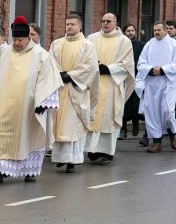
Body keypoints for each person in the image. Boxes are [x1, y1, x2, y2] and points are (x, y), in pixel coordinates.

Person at [0, 16, 62, 183]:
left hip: (29, 106)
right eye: (15, 39)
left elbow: (50, 80)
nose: (17, 43)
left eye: (20, 40)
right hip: (4, 104)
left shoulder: (41, 55)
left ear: (28, 38)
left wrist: (44, 102)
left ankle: (29, 171)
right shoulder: (4, 53)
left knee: (28, 136)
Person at [48, 15, 99, 173]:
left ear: (80, 27)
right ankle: (60, 157)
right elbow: (50, 62)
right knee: (58, 124)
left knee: (73, 125)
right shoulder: (57, 44)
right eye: (67, 24)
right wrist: (59, 75)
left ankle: (72, 161)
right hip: (60, 89)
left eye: (72, 24)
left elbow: (90, 67)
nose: (69, 27)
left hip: (76, 90)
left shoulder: (87, 45)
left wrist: (70, 75)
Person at [86, 13, 135, 164]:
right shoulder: (92, 38)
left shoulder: (124, 41)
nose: (105, 24)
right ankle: (92, 151)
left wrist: (108, 68)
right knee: (93, 116)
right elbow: (85, 57)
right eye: (103, 21)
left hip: (112, 84)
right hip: (94, 84)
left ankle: (107, 153)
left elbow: (127, 64)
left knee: (108, 117)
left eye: (108, 21)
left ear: (115, 23)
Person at [136, 21, 176, 153]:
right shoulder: (149, 44)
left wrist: (163, 70)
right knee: (153, 113)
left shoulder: (174, 44)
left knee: (167, 110)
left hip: (168, 82)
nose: (156, 32)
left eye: (159, 30)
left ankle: (173, 135)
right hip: (152, 84)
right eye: (154, 30)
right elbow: (141, 64)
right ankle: (157, 142)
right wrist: (151, 70)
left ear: (165, 31)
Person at [121, 24, 144, 139]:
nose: (130, 33)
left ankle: (135, 123)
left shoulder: (140, 45)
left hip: (136, 78)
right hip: (123, 78)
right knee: (122, 104)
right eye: (128, 30)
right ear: (124, 32)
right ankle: (123, 128)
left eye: (132, 30)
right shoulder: (121, 45)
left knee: (135, 104)